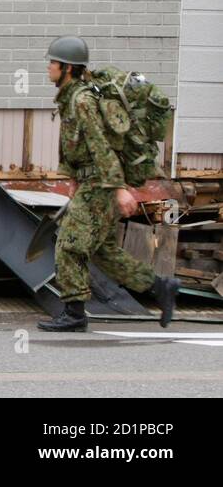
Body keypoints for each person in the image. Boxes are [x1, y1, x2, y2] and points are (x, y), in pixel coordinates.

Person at [38, 36, 179, 332]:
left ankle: (74, 313)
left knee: (69, 245)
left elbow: (101, 146)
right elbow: (74, 145)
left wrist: (118, 189)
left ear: (67, 68)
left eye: (52, 62)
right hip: (92, 182)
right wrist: (74, 179)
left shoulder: (82, 101)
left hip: (101, 185)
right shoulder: (70, 98)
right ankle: (161, 286)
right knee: (102, 251)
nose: (48, 66)